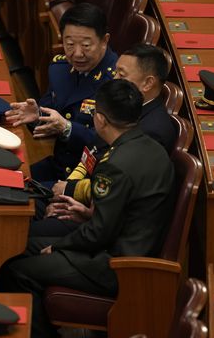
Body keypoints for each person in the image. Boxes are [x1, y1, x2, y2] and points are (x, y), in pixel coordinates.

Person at [0, 80, 175, 338]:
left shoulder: (116, 163)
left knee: (17, 271)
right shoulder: (150, 148)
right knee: (16, 247)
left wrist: (60, 245)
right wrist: (87, 214)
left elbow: (98, 235)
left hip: (116, 264)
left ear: (101, 119)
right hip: (127, 244)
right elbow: (126, 214)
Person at [30, 44, 177, 237]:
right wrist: (67, 188)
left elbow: (117, 190)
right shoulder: (120, 106)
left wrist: (69, 191)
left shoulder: (153, 130)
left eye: (121, 75)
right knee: (22, 198)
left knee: (23, 232)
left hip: (99, 216)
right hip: (82, 194)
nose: (114, 79)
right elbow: (91, 155)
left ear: (147, 83)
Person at [6, 3, 118, 183]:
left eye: (86, 45)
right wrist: (37, 116)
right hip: (58, 167)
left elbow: (112, 143)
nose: (77, 54)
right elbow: (49, 116)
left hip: (88, 179)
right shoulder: (60, 69)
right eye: (70, 44)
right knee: (5, 180)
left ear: (104, 41)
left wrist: (67, 128)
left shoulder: (116, 81)